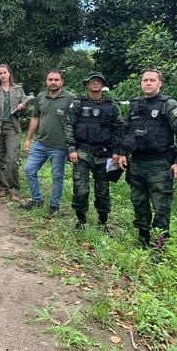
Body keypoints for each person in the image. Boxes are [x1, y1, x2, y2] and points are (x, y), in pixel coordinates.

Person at [118, 69, 177, 249]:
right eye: (145, 80)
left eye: (152, 80)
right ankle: (142, 240)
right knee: (139, 202)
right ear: (141, 83)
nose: (148, 83)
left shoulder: (168, 104)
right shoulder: (135, 104)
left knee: (161, 207)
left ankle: (159, 246)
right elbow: (127, 132)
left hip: (159, 164)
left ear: (160, 83)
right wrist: (122, 153)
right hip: (137, 163)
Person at [65, 72, 124, 233]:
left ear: (103, 85)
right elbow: (69, 125)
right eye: (92, 81)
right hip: (82, 151)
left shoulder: (112, 105)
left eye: (99, 81)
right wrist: (71, 149)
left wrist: (117, 152)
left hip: (104, 154)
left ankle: (102, 223)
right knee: (80, 188)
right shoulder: (78, 103)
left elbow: (119, 129)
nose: (95, 83)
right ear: (87, 84)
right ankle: (81, 221)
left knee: (103, 190)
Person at [23, 69, 75, 216]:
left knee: (57, 176)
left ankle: (54, 205)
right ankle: (36, 199)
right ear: (46, 81)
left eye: (56, 80)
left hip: (59, 146)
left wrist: (72, 146)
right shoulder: (40, 97)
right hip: (41, 143)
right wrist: (28, 138)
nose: (53, 82)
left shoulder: (70, 98)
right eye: (50, 79)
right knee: (29, 170)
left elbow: (76, 122)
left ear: (62, 82)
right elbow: (35, 118)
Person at [0, 64, 28, 200]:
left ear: (9, 73)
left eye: (4, 72)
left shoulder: (18, 90)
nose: (2, 75)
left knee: (12, 159)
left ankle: (14, 189)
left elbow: (26, 107)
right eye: (0, 73)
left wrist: (22, 107)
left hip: (12, 128)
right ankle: (3, 187)